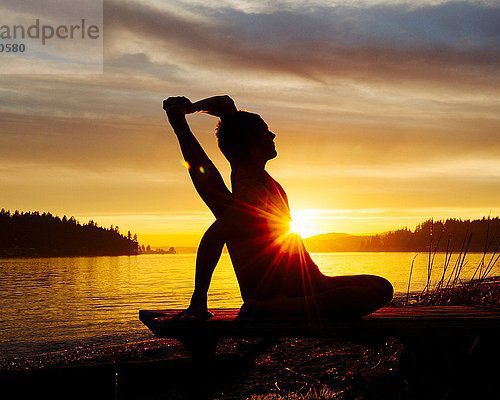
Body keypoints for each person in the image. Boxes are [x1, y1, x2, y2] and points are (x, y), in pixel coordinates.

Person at [163, 95, 393, 319]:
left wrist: (188, 110)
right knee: (370, 293)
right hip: (279, 291)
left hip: (309, 282)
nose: (272, 134)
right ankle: (274, 309)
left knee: (381, 286)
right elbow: (213, 237)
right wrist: (199, 298)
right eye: (265, 131)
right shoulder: (253, 192)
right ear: (252, 143)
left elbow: (225, 104)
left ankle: (283, 306)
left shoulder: (248, 170)